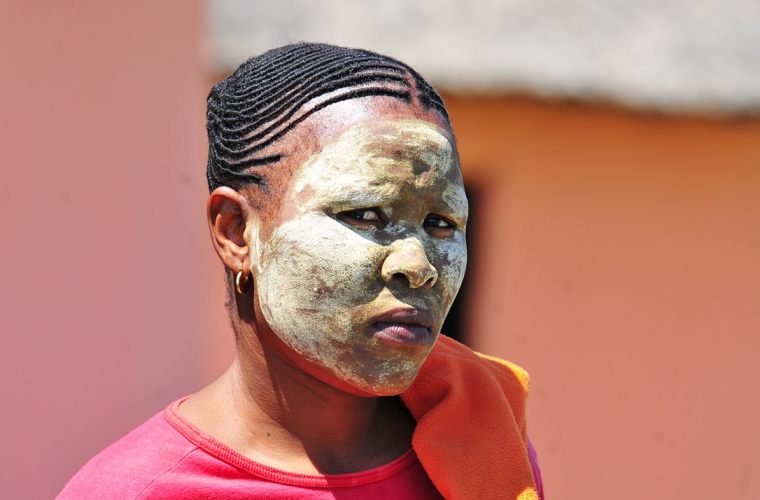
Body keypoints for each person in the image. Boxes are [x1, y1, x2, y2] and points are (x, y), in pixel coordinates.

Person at [57, 43, 543, 500]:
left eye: (441, 223)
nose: (417, 267)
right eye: (365, 215)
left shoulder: (481, 447)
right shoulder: (139, 490)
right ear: (237, 233)